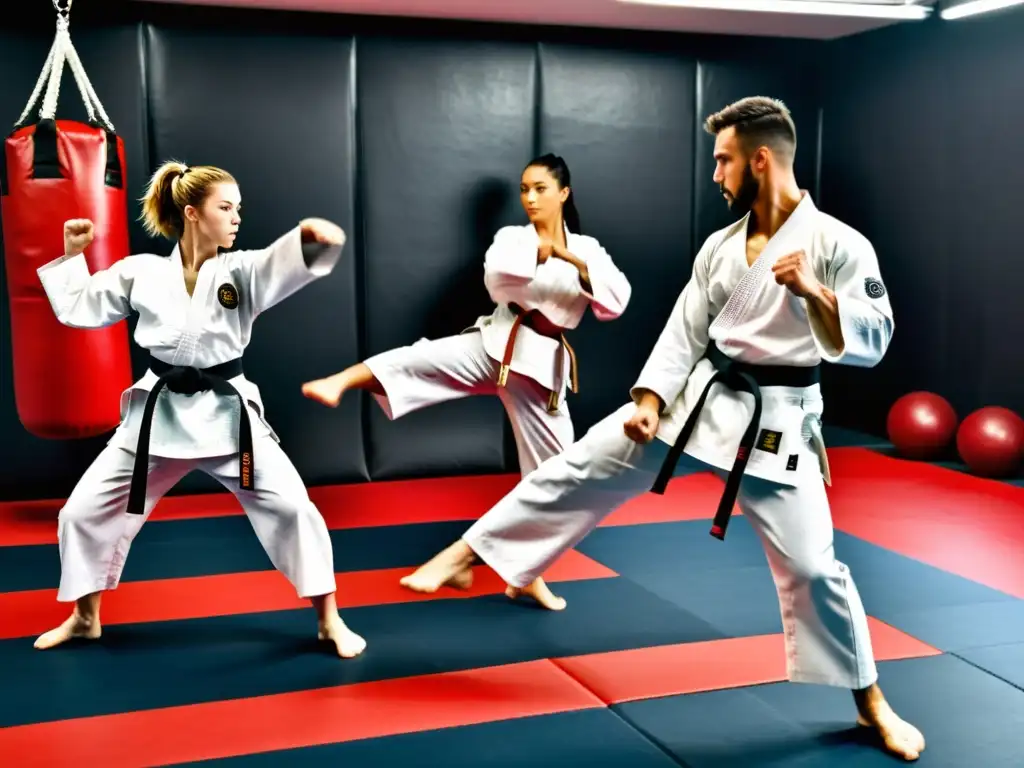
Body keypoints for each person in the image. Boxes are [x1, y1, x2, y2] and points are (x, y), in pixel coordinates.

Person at [398, 98, 926, 761]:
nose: (716, 174)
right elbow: (687, 330)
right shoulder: (723, 247)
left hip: (777, 425)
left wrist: (816, 294)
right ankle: (470, 554)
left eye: (724, 160)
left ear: (760, 160)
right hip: (700, 401)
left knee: (816, 570)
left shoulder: (839, 244)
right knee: (587, 459)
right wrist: (649, 397)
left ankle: (870, 700)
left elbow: (875, 340)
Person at [32, 160, 366, 660]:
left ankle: (329, 619)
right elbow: (80, 308)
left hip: (228, 420)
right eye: (225, 208)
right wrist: (72, 256)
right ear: (192, 213)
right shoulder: (141, 271)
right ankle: (85, 618)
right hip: (157, 416)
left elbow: (282, 262)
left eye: (239, 209)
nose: (236, 218)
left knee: (294, 508)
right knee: (81, 512)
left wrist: (310, 242)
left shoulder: (243, 270)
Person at [301, 153, 631, 610]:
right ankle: (342, 380)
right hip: (498, 342)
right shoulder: (513, 238)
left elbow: (616, 302)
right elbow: (498, 280)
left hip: (541, 367)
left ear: (563, 193)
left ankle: (526, 576)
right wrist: (540, 253)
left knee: (556, 480)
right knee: (423, 358)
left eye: (539, 188)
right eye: (524, 189)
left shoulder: (589, 249)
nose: (530, 198)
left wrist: (570, 258)